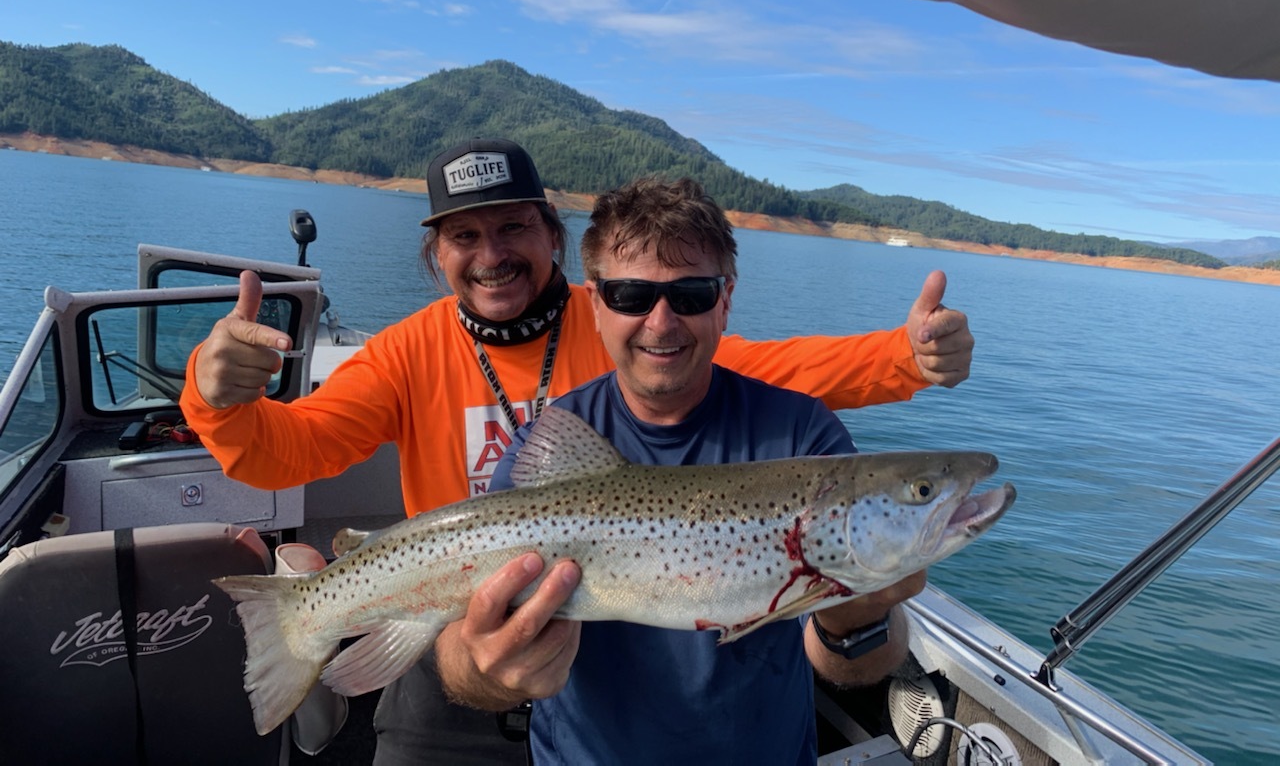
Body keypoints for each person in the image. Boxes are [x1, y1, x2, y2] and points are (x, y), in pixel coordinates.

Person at [180, 137, 972, 764]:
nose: (492, 252)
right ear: (437, 254)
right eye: (465, 234)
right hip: (452, 625)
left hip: (597, 666)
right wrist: (214, 397)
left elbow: (774, 375)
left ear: (555, 239)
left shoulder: (633, 327)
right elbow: (289, 454)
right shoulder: (403, 354)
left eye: (514, 226)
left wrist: (906, 360)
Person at [435, 176, 924, 764]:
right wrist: (490, 669)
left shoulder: (802, 439)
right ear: (595, 305)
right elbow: (462, 660)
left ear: (725, 300)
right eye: (630, 296)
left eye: (690, 294)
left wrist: (858, 612)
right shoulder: (545, 449)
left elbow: (851, 663)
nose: (661, 321)